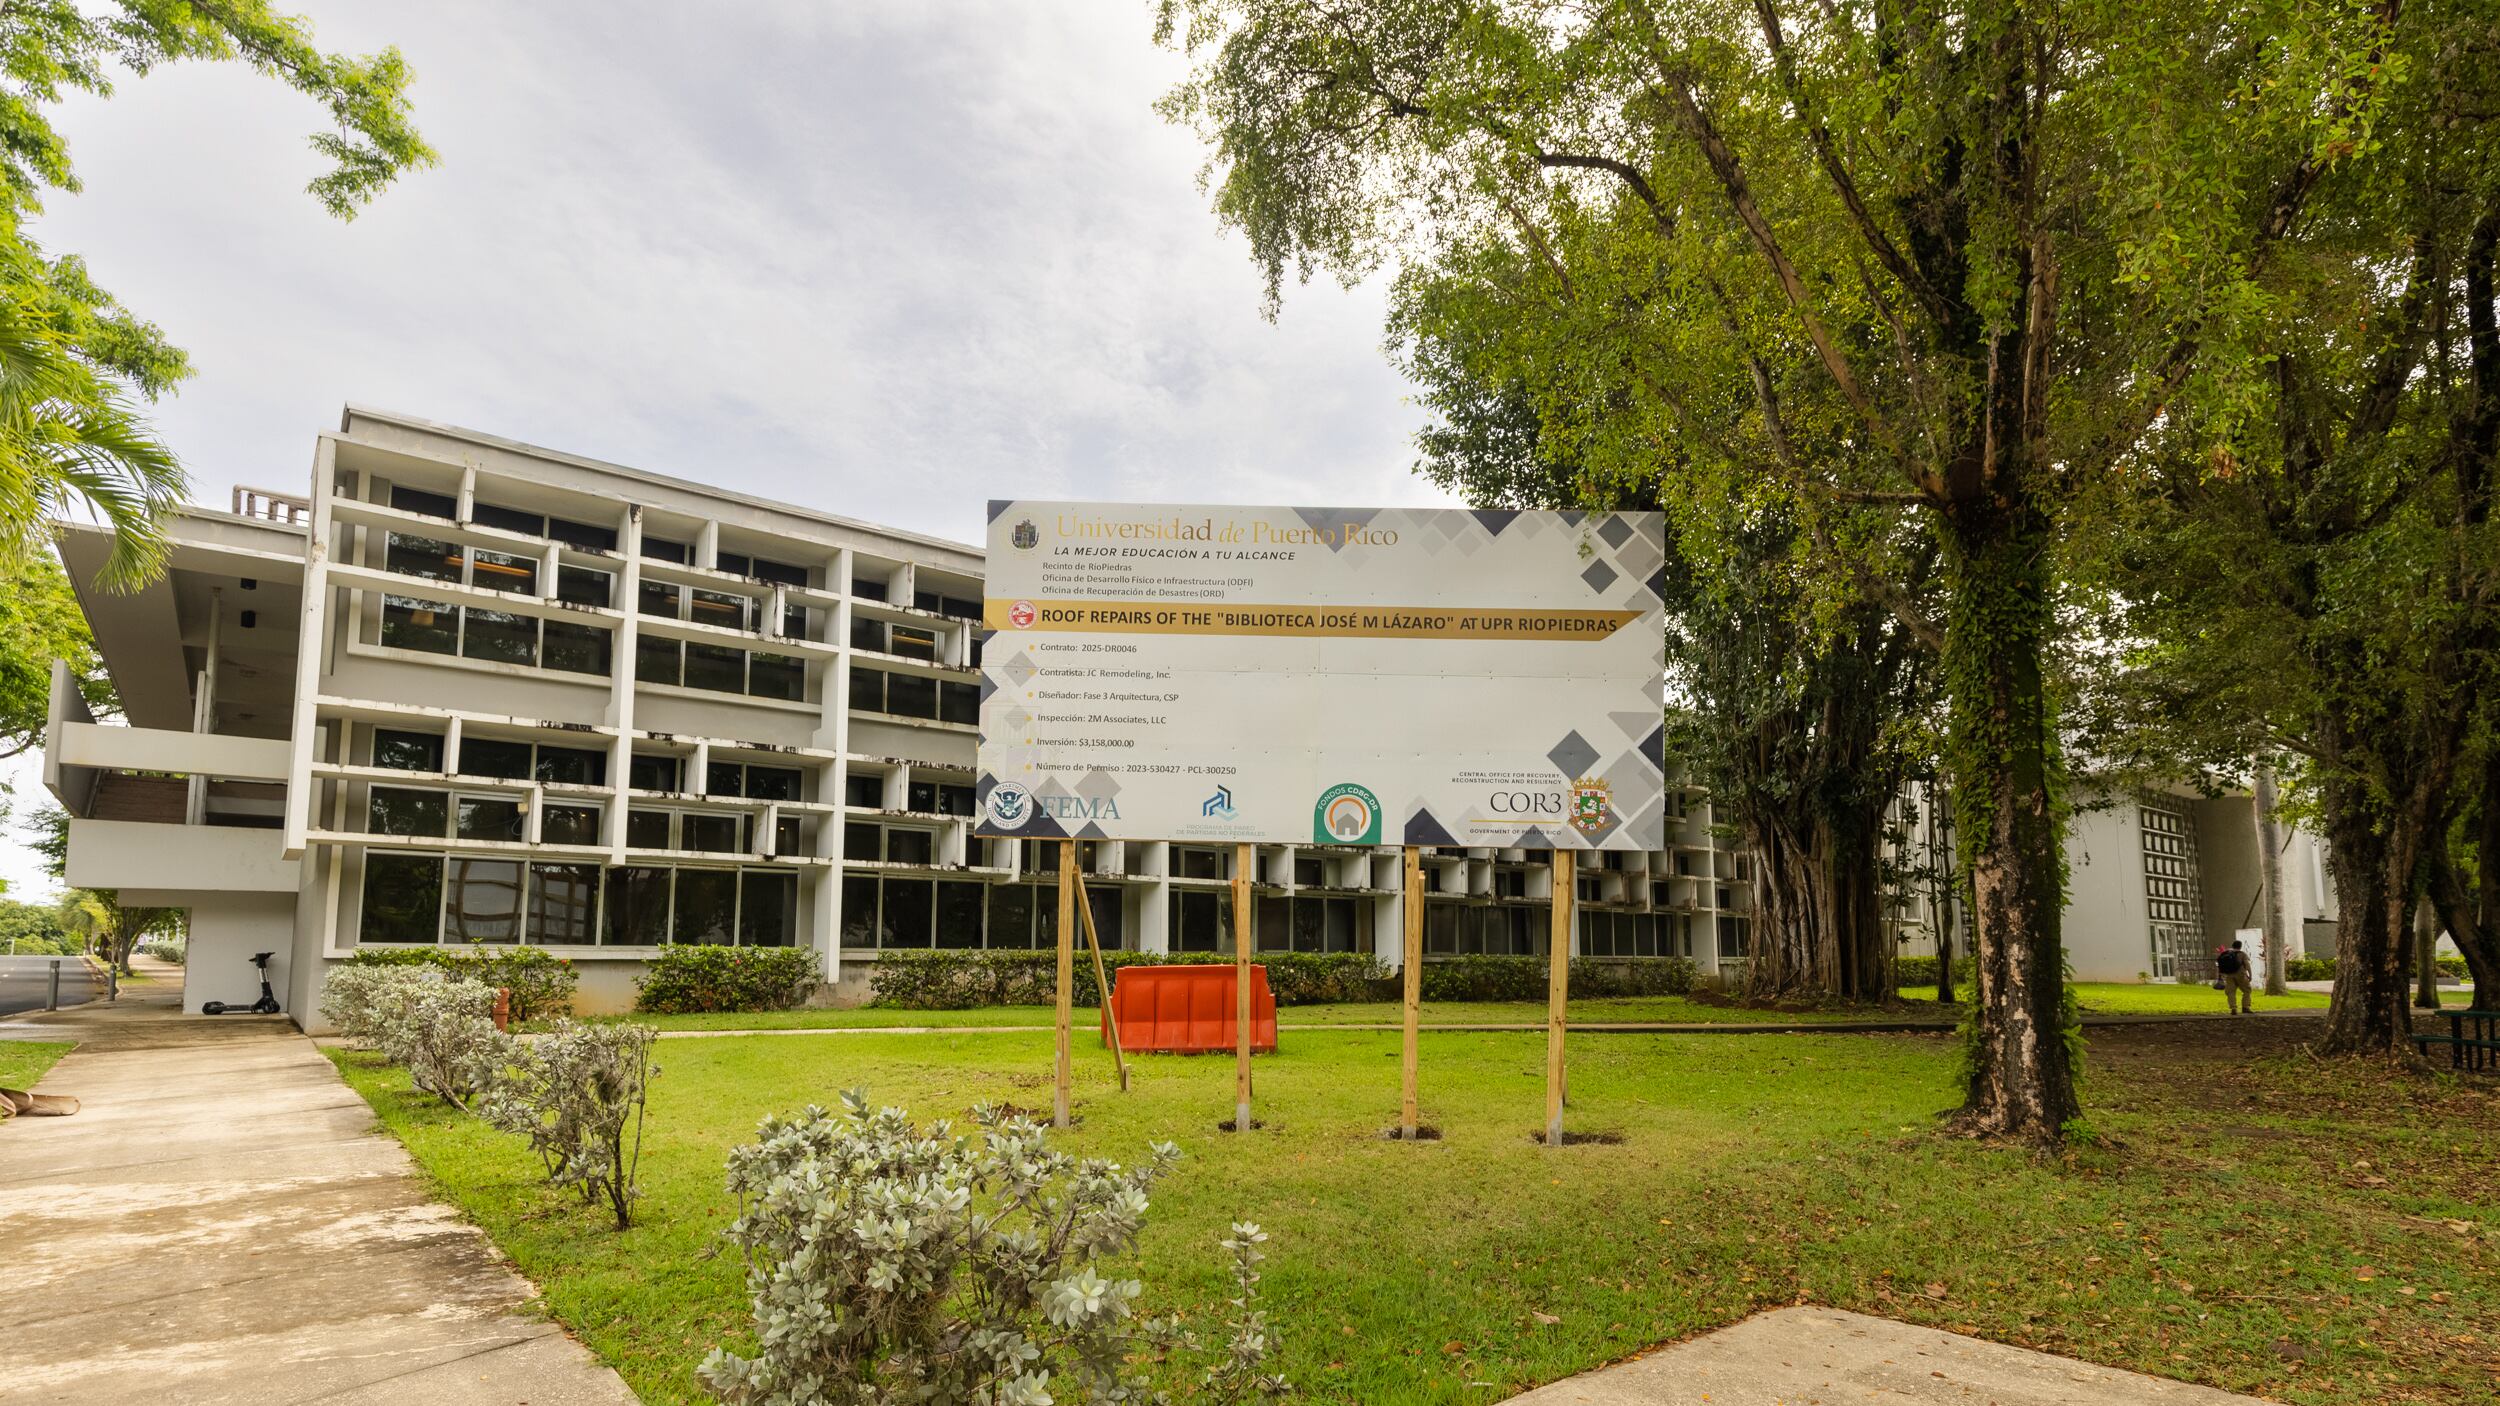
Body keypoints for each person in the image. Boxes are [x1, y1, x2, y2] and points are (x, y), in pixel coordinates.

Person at [2214, 939, 2254, 1014]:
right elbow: (2247, 964)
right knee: (2247, 990)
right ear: (2240, 946)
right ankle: (2245, 1007)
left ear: (2232, 946)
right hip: (2240, 974)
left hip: (2229, 974)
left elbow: (2219, 965)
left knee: (2231, 992)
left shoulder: (2226, 953)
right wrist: (2250, 975)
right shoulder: (2242, 954)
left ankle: (2233, 1008)